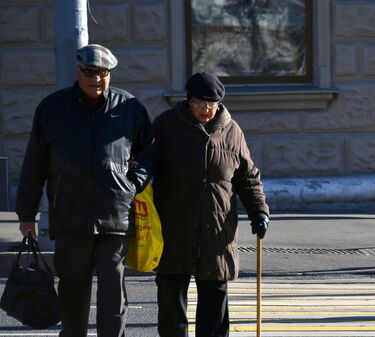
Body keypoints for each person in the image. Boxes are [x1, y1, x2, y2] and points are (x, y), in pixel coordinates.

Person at [15, 44, 154, 337]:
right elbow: (34, 165)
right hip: (70, 219)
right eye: (90, 72)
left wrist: (133, 184)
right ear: (77, 71)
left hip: (114, 218)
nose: (97, 79)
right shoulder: (53, 109)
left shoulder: (129, 108)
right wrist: (26, 214)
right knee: (73, 297)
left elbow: (151, 152)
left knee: (112, 300)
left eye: (103, 73)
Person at [153, 72, 270, 337]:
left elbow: (248, 178)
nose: (205, 108)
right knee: (172, 306)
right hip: (174, 230)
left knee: (214, 309)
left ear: (219, 104)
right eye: (199, 102)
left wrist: (259, 211)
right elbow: (147, 168)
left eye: (211, 103)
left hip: (216, 232)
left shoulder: (232, 131)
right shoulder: (166, 126)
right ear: (188, 100)